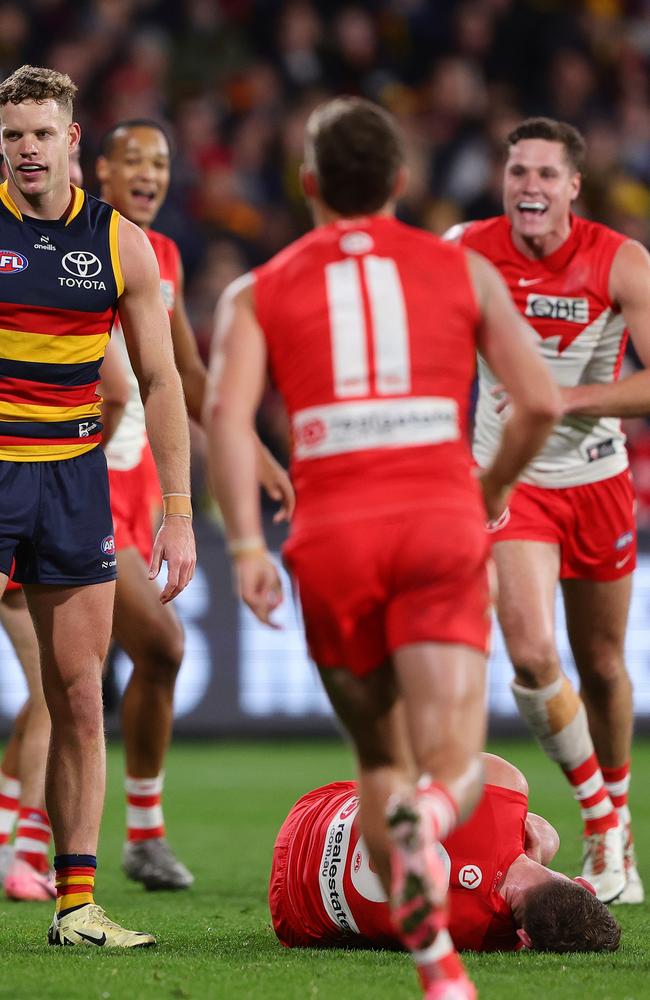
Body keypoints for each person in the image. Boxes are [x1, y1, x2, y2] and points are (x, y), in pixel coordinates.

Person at [205, 96, 560, 1000]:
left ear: (310, 184)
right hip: (438, 524)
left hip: (329, 538)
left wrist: (247, 543)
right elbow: (542, 404)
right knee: (451, 761)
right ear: (402, 182)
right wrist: (488, 489)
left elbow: (224, 414)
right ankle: (429, 818)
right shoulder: (463, 272)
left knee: (377, 754)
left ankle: (438, 964)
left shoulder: (261, 287)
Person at [0, 64, 195, 947]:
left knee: (80, 697)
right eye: (11, 136)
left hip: (75, 484)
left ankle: (76, 906)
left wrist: (179, 510)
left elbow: (159, 380)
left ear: (73, 140)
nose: (25, 149)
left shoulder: (120, 245)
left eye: (41, 133)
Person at [451, 117, 650, 905]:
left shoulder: (620, 260)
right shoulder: (464, 246)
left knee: (601, 666)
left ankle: (617, 822)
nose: (528, 187)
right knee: (532, 654)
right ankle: (603, 824)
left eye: (545, 175)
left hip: (597, 478)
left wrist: (567, 399)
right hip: (510, 480)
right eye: (518, 172)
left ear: (574, 187)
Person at [95, 119, 294, 890]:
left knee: (82, 679)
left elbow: (188, 375)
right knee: (151, 652)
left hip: (141, 494)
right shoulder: (78, 242)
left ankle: (61, 837)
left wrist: (250, 447)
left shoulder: (164, 256)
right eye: (134, 160)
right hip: (79, 485)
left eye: (162, 162)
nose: (150, 173)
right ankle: (123, 835)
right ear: (99, 170)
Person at [269, 753, 621, 954]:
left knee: (543, 832)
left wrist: (525, 838)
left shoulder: (506, 784)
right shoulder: (486, 939)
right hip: (293, 911)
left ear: (583, 884)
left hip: (314, 815)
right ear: (525, 938)